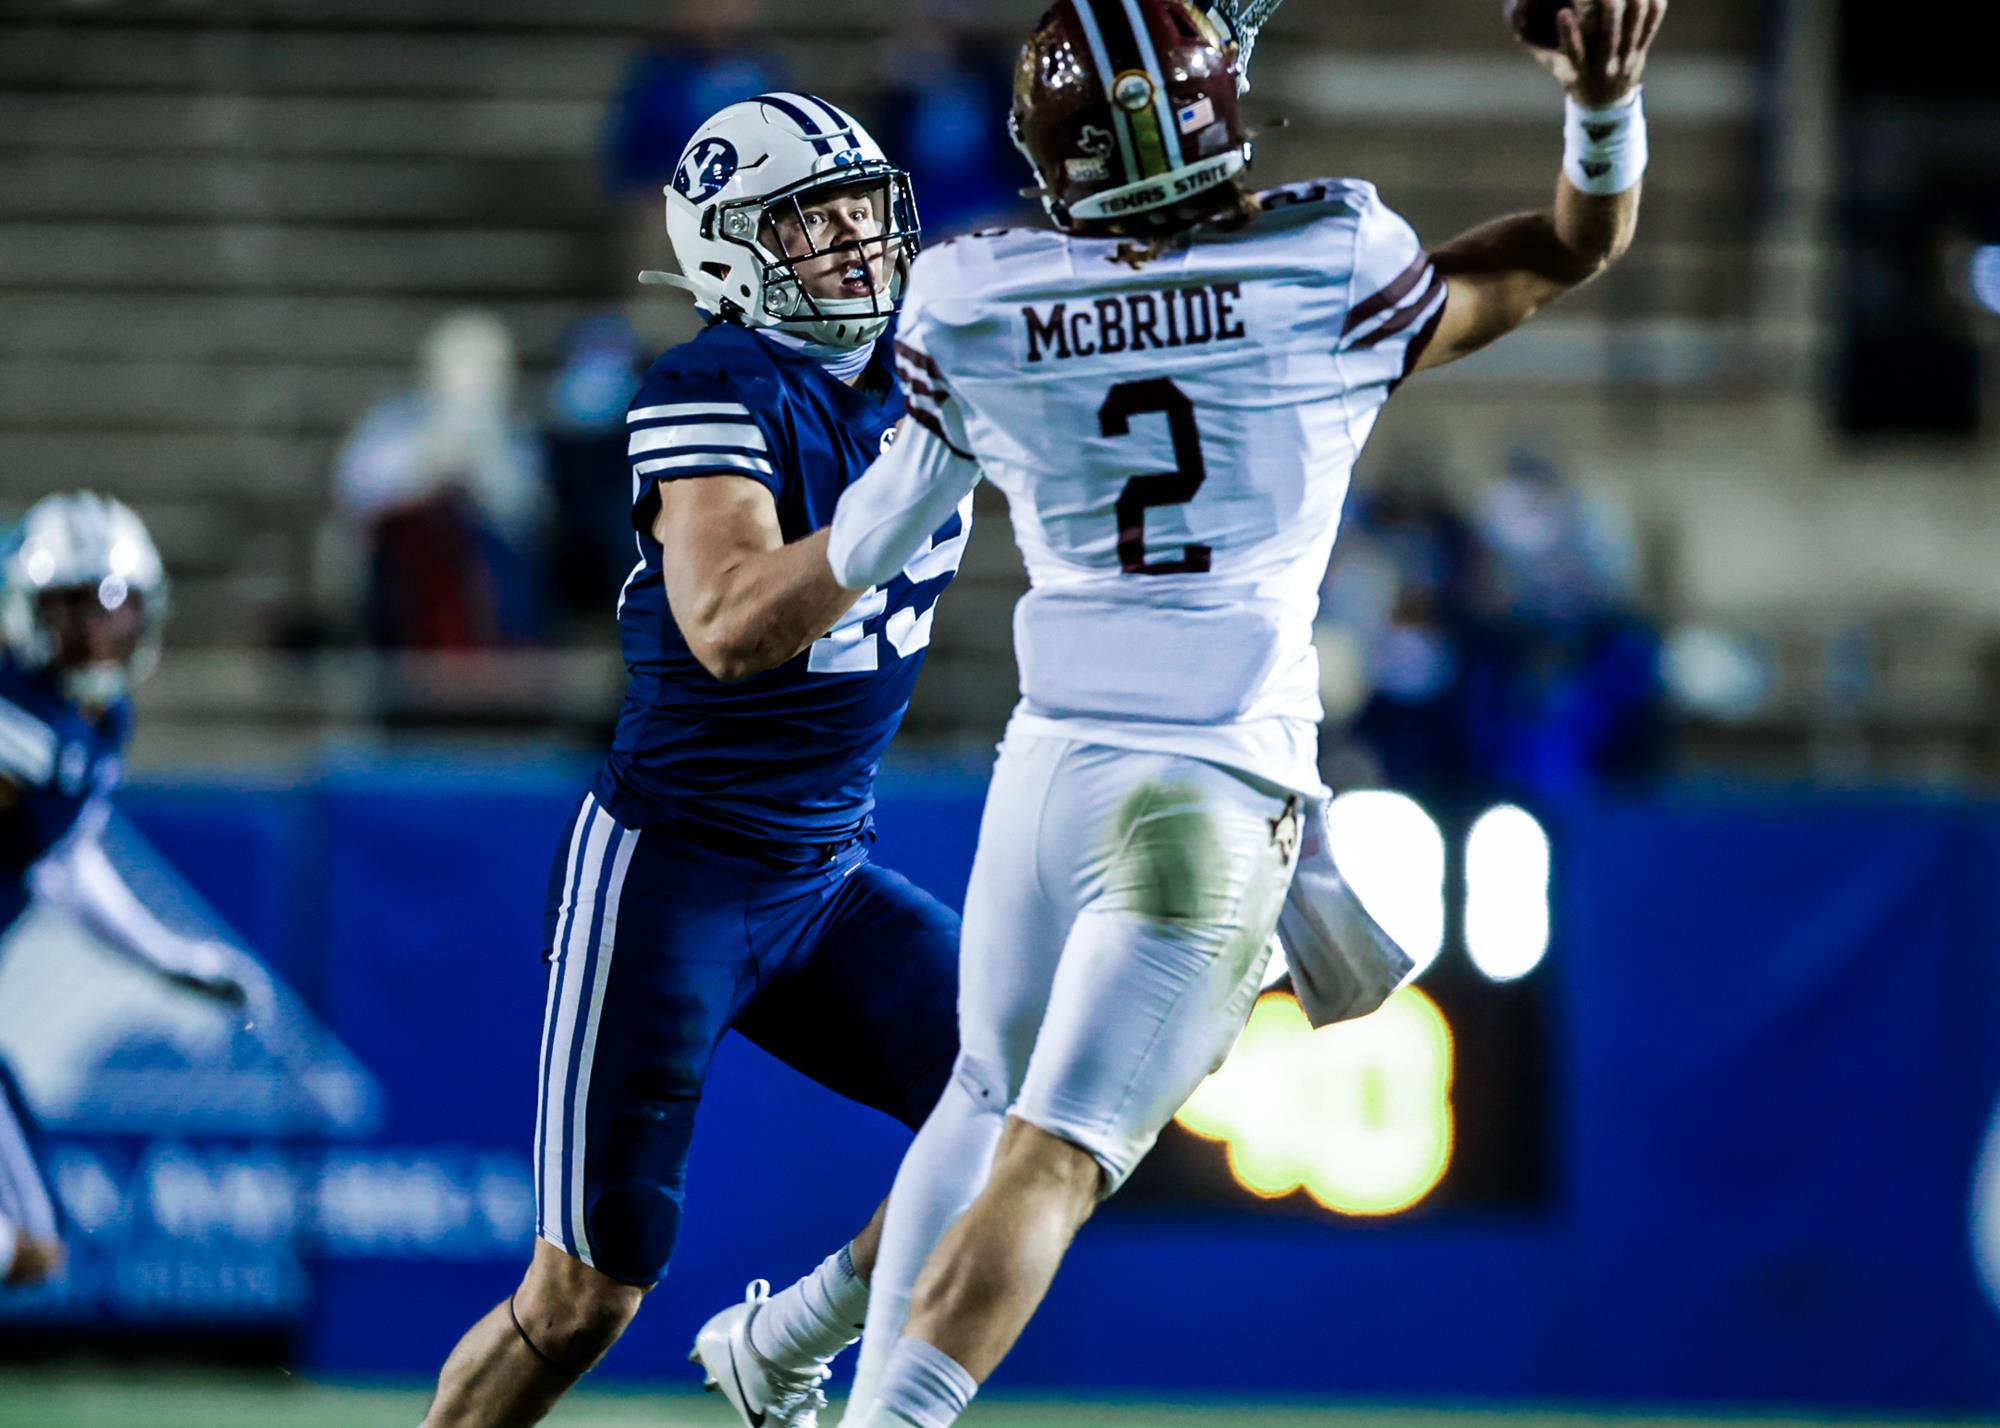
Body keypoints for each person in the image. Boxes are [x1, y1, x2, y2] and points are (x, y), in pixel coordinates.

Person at [693, 1, 1661, 1422]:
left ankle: (792, 1346)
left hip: (1052, 767)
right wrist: (1599, 102)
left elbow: (858, 549)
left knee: (984, 1106)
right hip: (1210, 792)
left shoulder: (975, 297)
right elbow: (1568, 248)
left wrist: (737, 613)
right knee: (1055, 1159)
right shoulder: (1330, 264)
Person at [422, 94, 970, 1428]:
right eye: (810, 218)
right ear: (730, 248)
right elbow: (728, 627)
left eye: (860, 208)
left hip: (826, 869)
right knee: (585, 1296)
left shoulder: (932, 361)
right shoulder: (707, 385)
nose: (850, 240)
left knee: (1027, 1117)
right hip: (673, 871)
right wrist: (912, 483)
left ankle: (796, 1335)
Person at [0, 492, 254, 1290]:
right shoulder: (18, 715)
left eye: (117, 606)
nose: (100, 629)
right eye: (76, 606)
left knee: (34, 1248)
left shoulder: (95, 720)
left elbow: (63, 863)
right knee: (32, 1246)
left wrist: (166, 956)